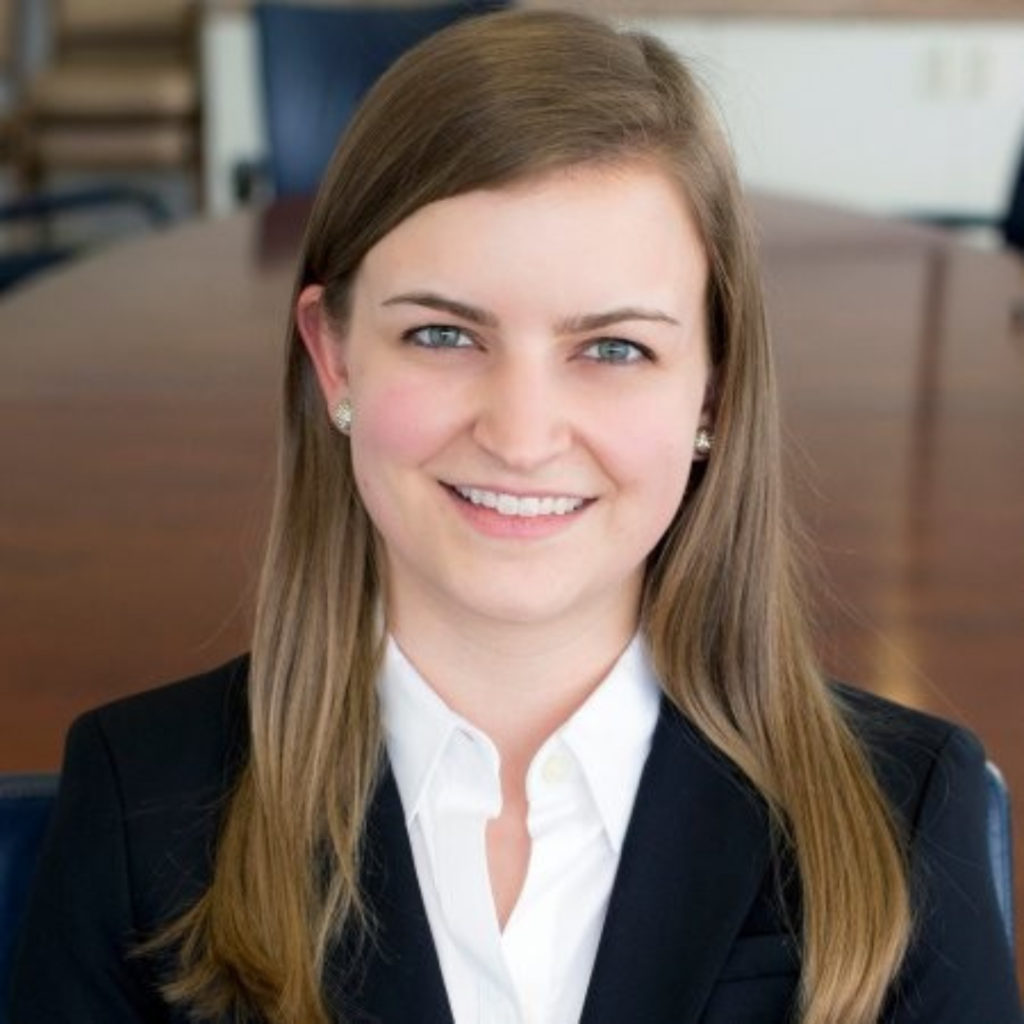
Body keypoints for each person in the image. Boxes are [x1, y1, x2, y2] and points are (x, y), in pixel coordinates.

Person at [10, 9, 1021, 1024]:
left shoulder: (903, 816)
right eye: (444, 333)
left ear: (712, 391)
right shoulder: (140, 802)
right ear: (335, 357)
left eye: (614, 348)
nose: (523, 434)